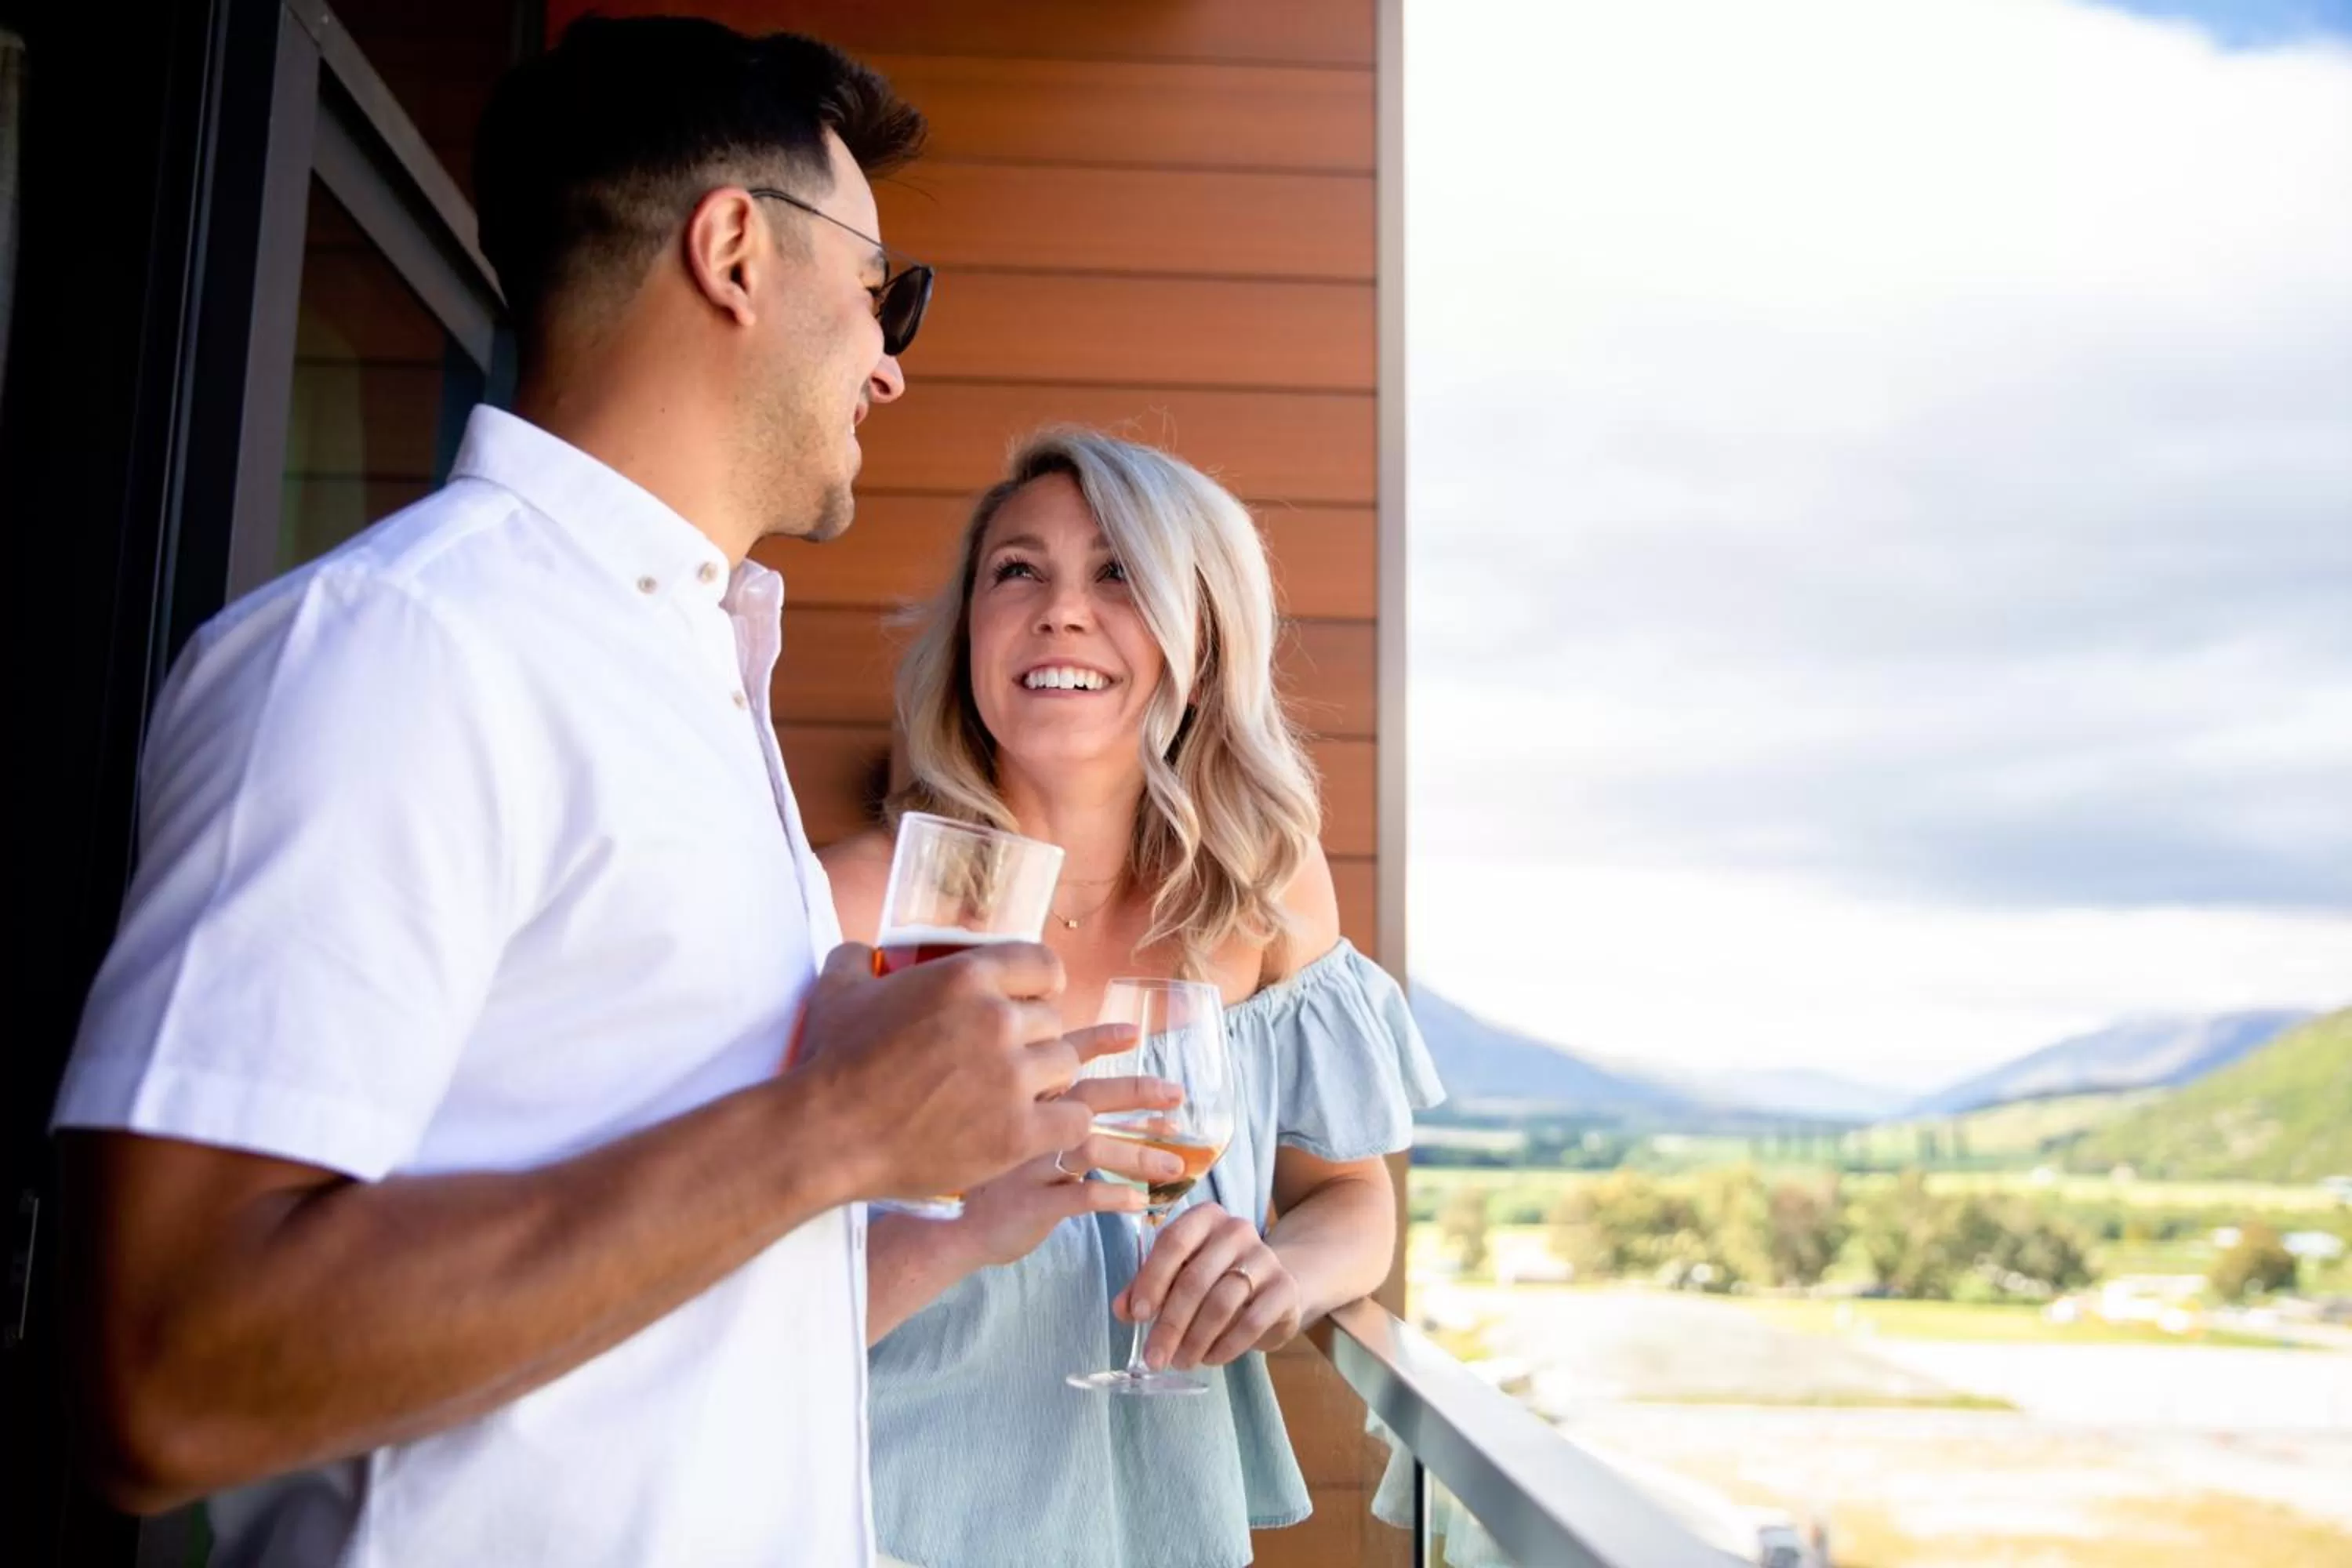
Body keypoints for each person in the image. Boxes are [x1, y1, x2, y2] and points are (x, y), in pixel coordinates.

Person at [49, 19, 1164, 1566]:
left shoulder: (689, 675)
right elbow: (162, 1375)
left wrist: (933, 1205)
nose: (891, 362)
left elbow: (670, 1316)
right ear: (735, 252)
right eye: (880, 291)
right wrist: (833, 1125)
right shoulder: (404, 649)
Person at [821, 430, 1445, 1568]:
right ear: (970, 633)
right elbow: (734, 1305)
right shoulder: (855, 911)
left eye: (1118, 573)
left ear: (1202, 634)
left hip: (1155, 1524)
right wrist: (964, 1224)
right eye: (1017, 571)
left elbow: (1351, 1201)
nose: (1061, 612)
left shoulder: (1265, 891)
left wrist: (1281, 1276)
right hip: (878, 1519)